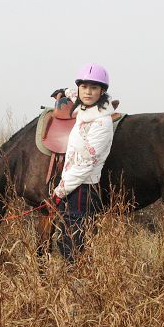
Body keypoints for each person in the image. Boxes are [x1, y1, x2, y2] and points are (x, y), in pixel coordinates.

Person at [49, 63, 115, 264]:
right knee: (69, 235)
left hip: (82, 188)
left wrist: (60, 190)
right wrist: (64, 93)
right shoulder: (87, 108)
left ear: (102, 91)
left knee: (74, 241)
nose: (88, 92)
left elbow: (85, 164)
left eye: (94, 88)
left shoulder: (101, 122)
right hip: (75, 186)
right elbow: (77, 94)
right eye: (84, 86)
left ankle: (77, 284)